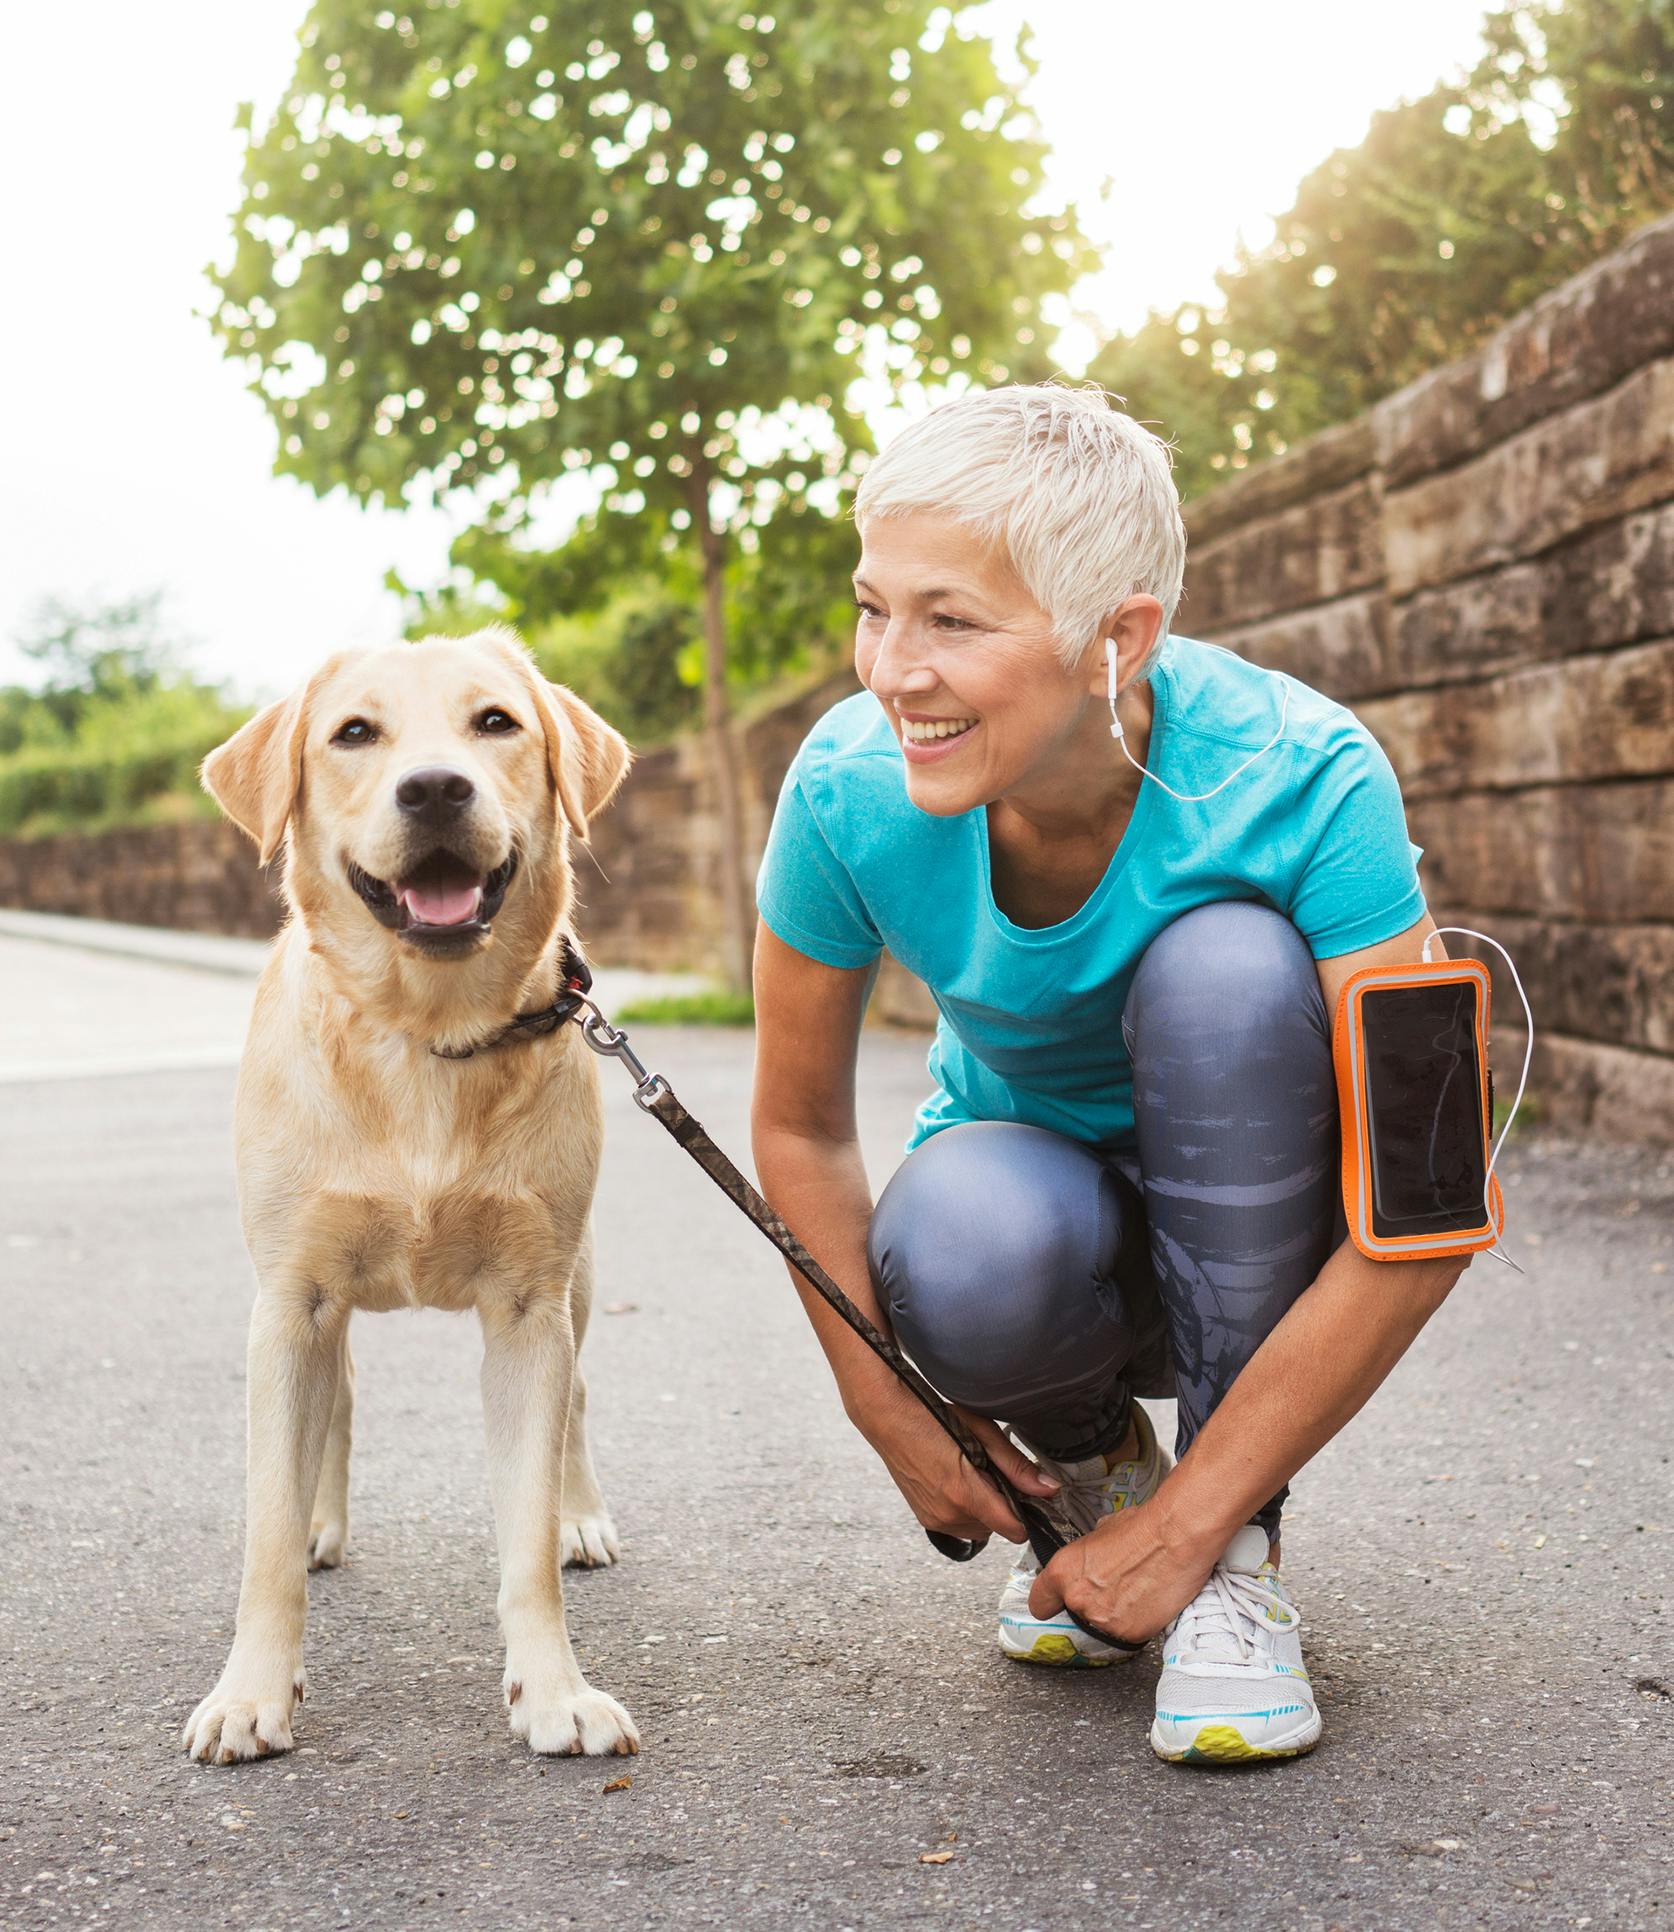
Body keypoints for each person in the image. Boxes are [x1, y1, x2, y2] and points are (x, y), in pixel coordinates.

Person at [749, 383, 1470, 1765]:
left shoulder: (1305, 775)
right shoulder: (844, 789)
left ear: (1116, 638)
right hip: (1047, 1256)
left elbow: (1428, 1202)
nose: (889, 669)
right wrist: (887, 1404)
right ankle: (1094, 1474)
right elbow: (795, 1127)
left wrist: (1192, 1531)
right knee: (955, 1234)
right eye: (873, 606)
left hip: (1282, 1241)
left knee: (1227, 972)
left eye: (950, 620)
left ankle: (1230, 1554)